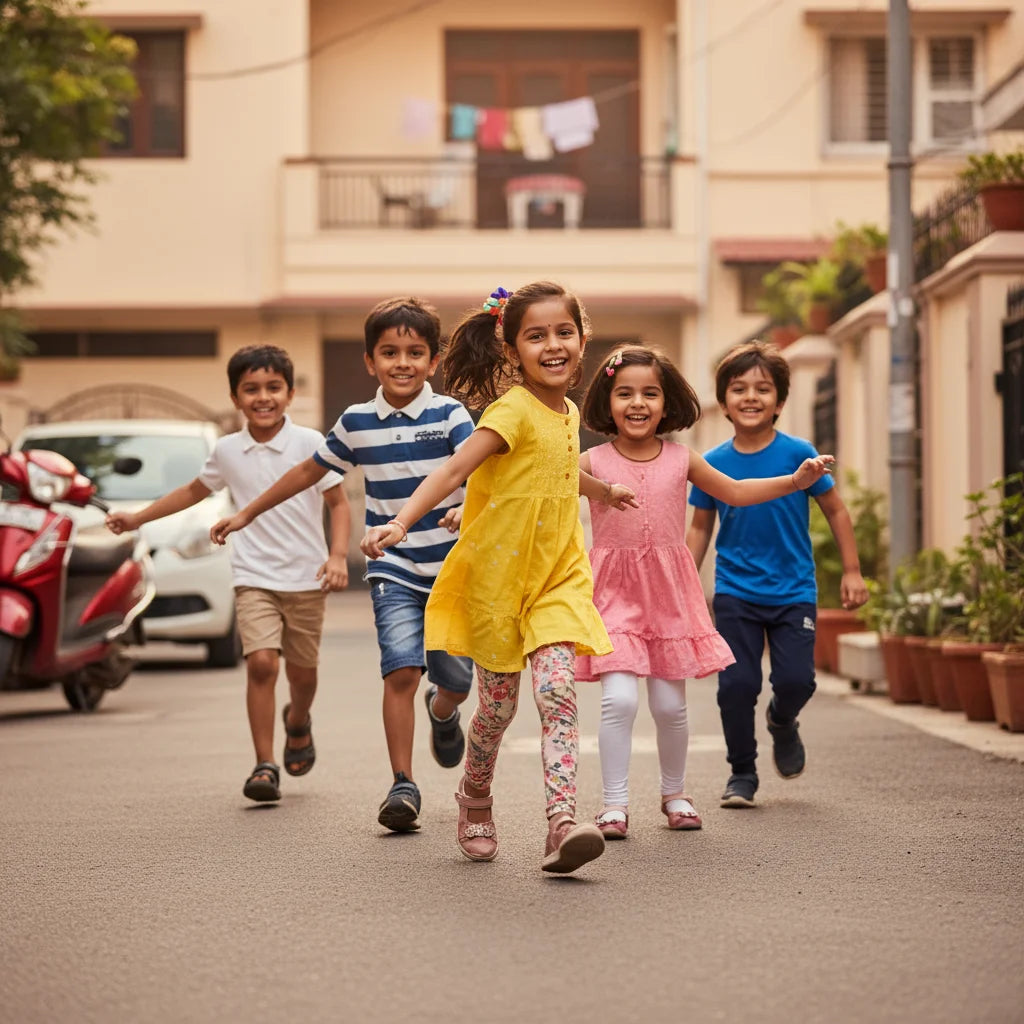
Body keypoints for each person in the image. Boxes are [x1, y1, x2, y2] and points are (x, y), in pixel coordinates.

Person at [361, 282, 637, 874]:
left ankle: (561, 823)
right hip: (498, 583)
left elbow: (560, 470)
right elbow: (456, 468)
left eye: (563, 332)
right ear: (512, 350)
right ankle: (475, 793)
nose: (553, 345)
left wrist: (603, 489)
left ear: (582, 340)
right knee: (496, 711)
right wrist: (401, 522)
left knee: (559, 692)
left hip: (556, 578)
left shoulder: (566, 413)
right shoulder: (509, 410)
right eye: (535, 336)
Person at [210, 298, 475, 833]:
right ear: (369, 361)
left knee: (456, 680)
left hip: (453, 569)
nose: (402, 362)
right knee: (400, 669)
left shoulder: (450, 414)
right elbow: (306, 473)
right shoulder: (355, 422)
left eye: (415, 352)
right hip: (392, 564)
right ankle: (402, 783)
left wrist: (467, 507)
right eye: (389, 352)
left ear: (434, 359)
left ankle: (443, 711)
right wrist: (246, 512)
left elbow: (475, 473)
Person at [577, 344, 835, 839]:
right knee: (620, 700)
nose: (638, 403)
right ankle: (613, 805)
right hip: (612, 595)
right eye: (625, 393)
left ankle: (675, 794)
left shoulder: (682, 458)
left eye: (650, 393)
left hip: (669, 596)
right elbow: (538, 489)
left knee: (671, 706)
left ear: (667, 400)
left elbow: (736, 492)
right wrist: (471, 510)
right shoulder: (592, 460)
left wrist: (795, 480)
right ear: (607, 402)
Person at [106, 345, 350, 803]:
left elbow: (338, 504)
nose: (263, 397)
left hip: (304, 578)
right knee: (261, 663)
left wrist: (337, 557)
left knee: (303, 674)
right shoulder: (227, 450)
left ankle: (297, 721)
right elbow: (193, 491)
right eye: (251, 389)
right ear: (236, 398)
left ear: (291, 392)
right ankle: (264, 764)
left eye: (273, 388)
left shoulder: (311, 444)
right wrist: (138, 518)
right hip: (253, 574)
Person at [685, 340, 868, 809]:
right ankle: (742, 773)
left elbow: (836, 510)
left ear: (780, 401)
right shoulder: (714, 463)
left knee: (795, 681)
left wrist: (852, 571)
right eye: (739, 388)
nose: (750, 397)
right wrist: (685, 582)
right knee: (737, 686)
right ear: (723, 401)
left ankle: (782, 722)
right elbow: (701, 526)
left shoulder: (799, 454)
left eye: (763, 389)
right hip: (736, 590)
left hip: (793, 590)